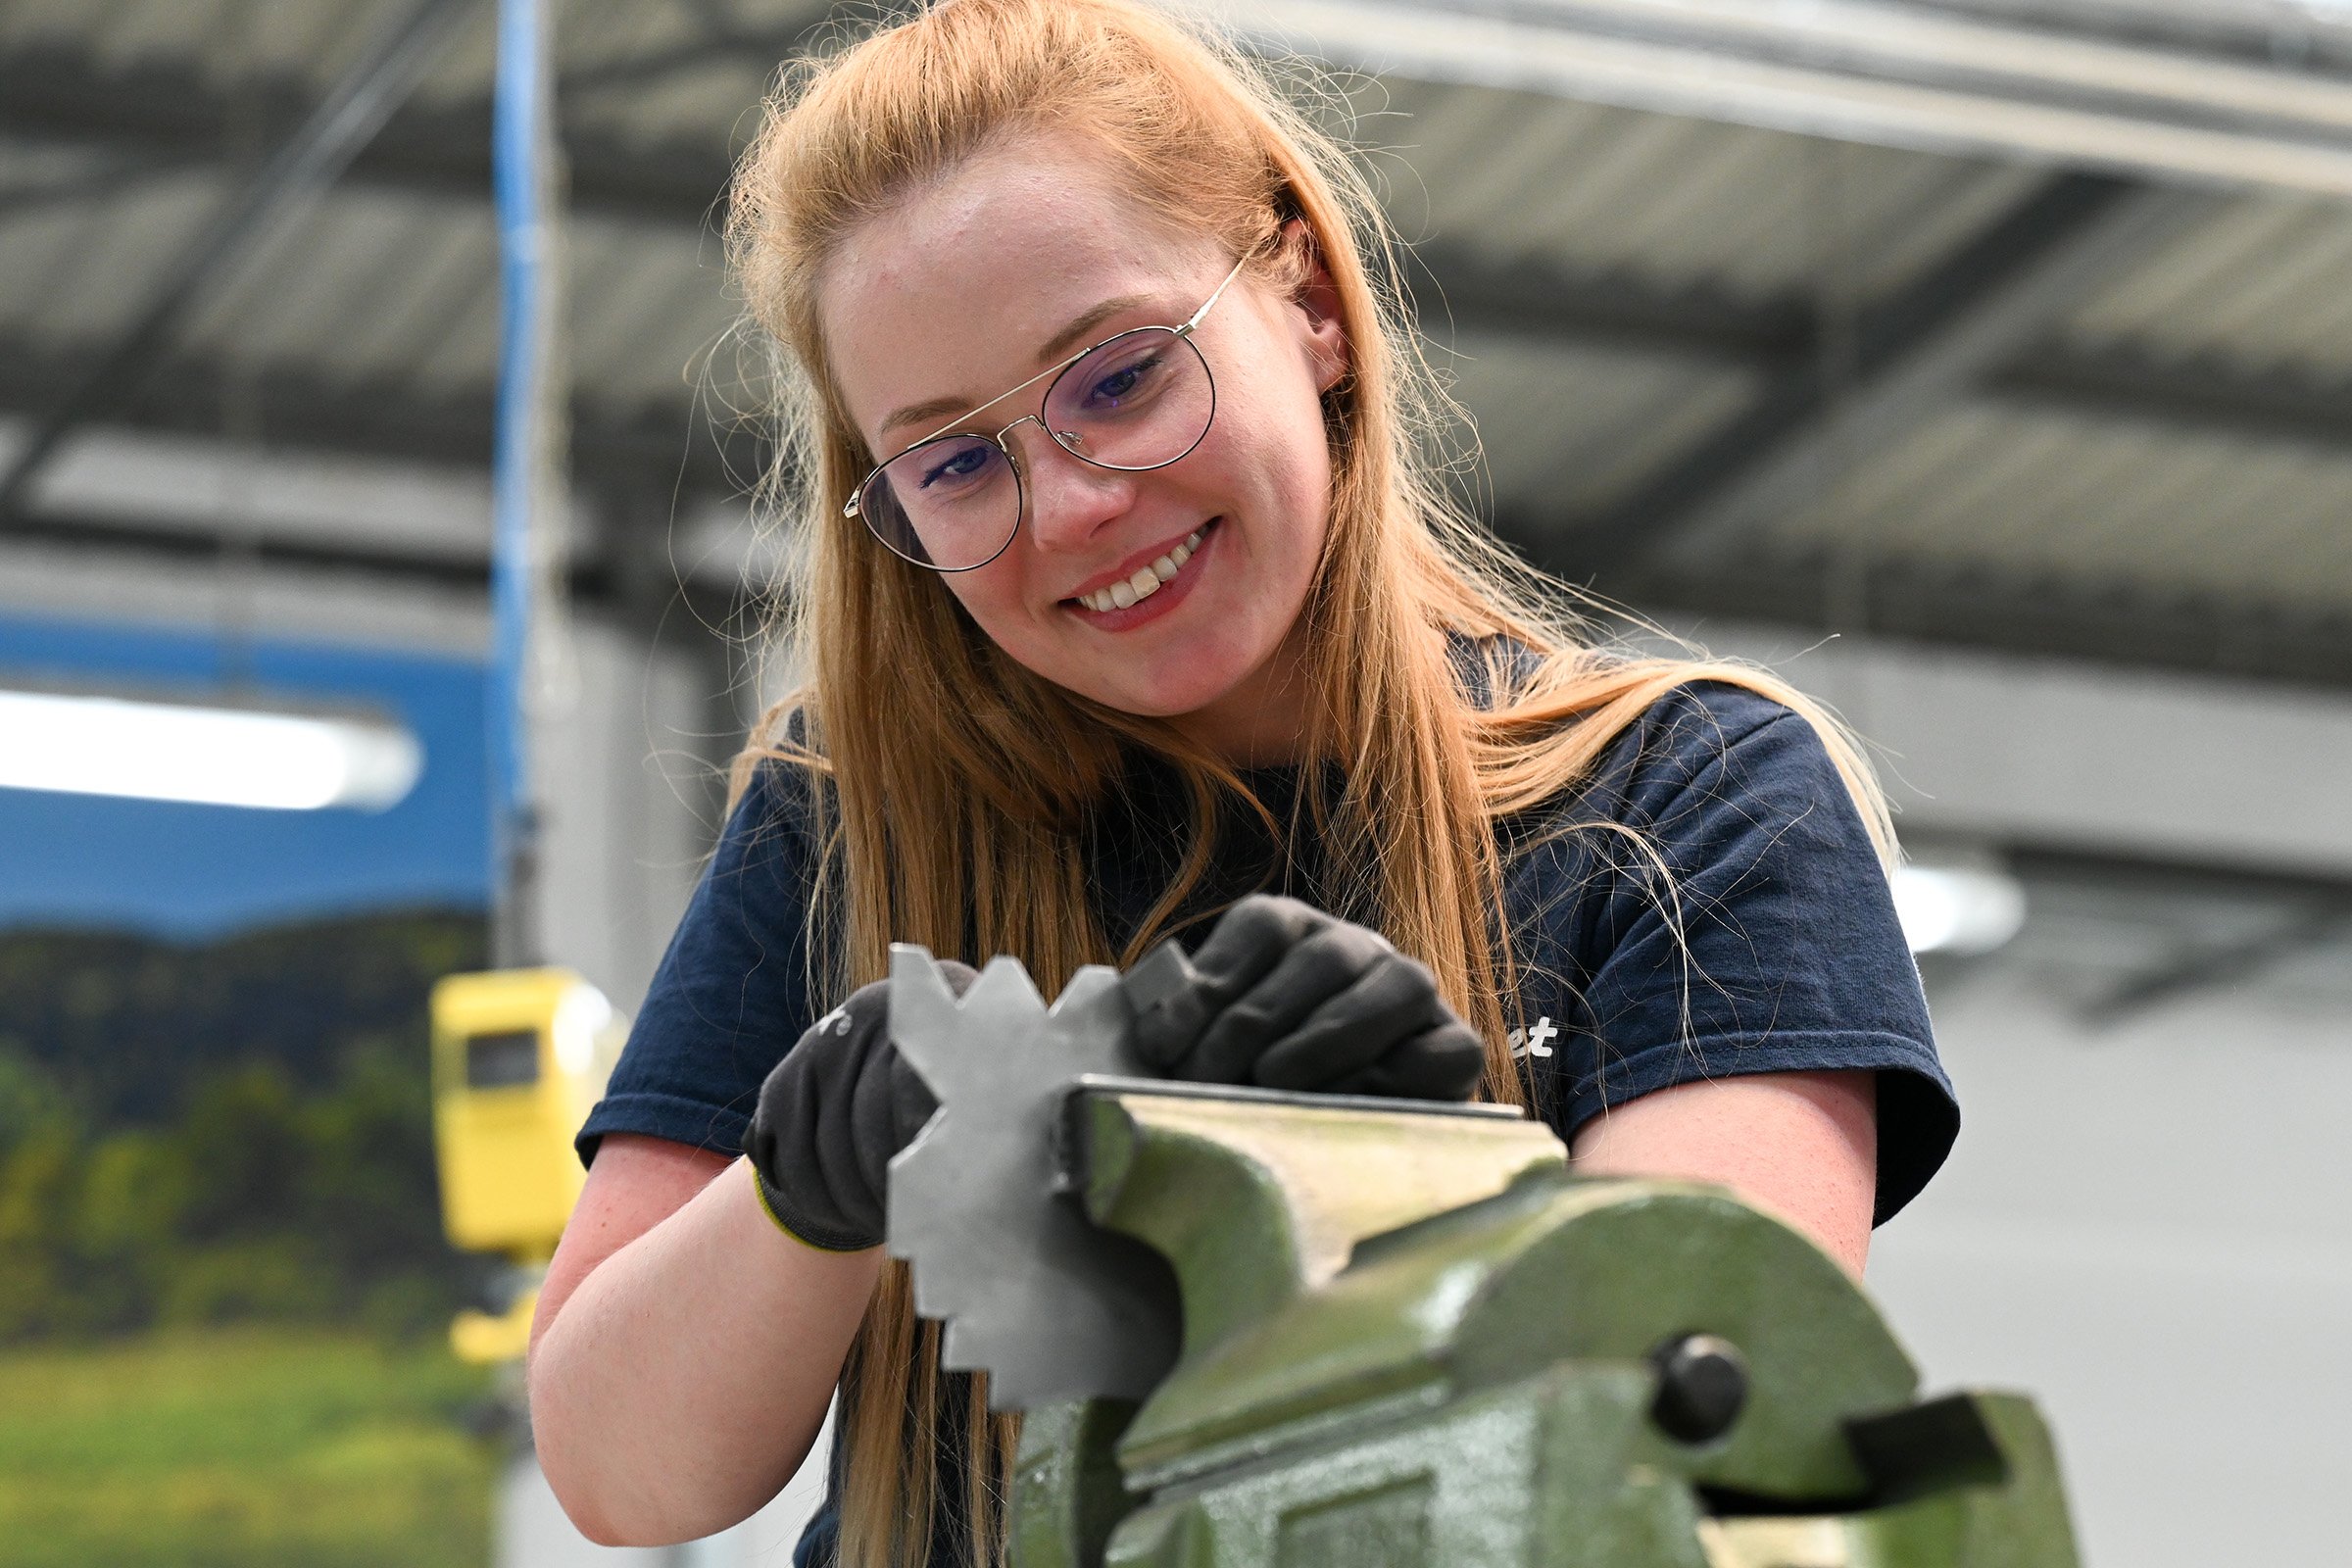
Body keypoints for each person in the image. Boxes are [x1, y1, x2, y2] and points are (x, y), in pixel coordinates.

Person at [525, 2, 1958, 1564]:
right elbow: (623, 1475)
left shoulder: (1682, 805)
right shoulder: (844, 830)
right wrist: (807, 1179)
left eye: (1123, 376)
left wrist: (1422, 1201)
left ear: (1310, 302)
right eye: (953, 466)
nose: (1069, 505)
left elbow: (1709, 1452)